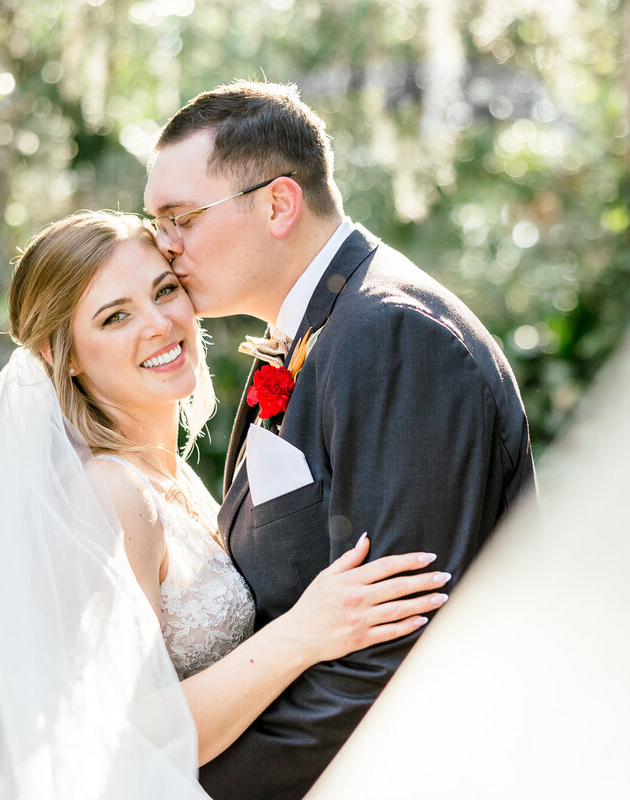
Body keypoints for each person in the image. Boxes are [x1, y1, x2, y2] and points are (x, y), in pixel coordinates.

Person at [0, 210, 450, 798]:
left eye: (165, 290)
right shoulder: (111, 494)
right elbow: (133, 732)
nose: (160, 324)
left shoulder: (173, 480)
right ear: (63, 356)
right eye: (116, 316)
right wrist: (305, 633)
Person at [143, 80, 537, 799]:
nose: (162, 249)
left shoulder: (395, 333)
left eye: (180, 218)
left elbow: (390, 646)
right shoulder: (322, 330)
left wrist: (194, 785)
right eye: (154, 222)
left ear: (278, 204)